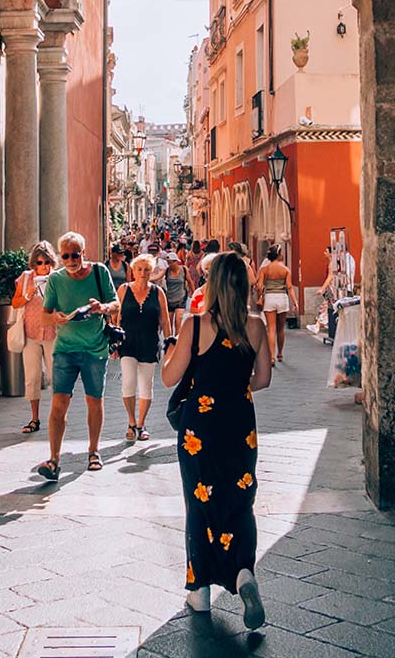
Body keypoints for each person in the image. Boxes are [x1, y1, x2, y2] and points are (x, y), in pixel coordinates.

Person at [161, 251, 271, 629]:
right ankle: (243, 574)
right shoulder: (256, 325)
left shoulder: (195, 324)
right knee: (239, 500)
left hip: (200, 430)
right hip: (239, 424)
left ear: (214, 284)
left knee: (201, 502)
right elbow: (263, 379)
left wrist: (169, 351)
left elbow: (169, 378)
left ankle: (200, 590)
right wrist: (234, 387)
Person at [37, 231, 118, 481]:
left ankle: (94, 451)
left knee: (94, 401)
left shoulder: (99, 272)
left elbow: (115, 303)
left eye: (75, 254)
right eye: (66, 255)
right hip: (65, 349)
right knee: (59, 402)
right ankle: (54, 459)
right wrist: (56, 317)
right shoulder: (56, 280)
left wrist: (102, 308)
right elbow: (45, 315)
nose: (71, 260)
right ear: (60, 256)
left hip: (95, 349)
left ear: (84, 253)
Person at [116, 254, 171, 440]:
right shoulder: (123, 290)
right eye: (139, 269)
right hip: (127, 344)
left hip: (149, 344)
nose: (142, 273)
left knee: (146, 386)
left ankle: (141, 424)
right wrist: (114, 343)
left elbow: (165, 320)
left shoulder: (158, 292)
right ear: (133, 270)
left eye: (146, 269)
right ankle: (131, 422)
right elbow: (116, 318)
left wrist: (169, 344)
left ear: (151, 271)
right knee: (128, 382)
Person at [11, 240, 58, 434]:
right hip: (30, 334)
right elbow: (15, 303)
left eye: (46, 262)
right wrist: (28, 295)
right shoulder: (25, 278)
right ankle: (34, 419)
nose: (43, 266)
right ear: (33, 263)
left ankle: (57, 417)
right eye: (39, 262)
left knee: (57, 377)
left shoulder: (58, 279)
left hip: (53, 334)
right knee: (32, 378)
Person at [255, 246, 297, 365]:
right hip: (282, 297)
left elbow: (259, 286)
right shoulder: (285, 269)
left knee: (271, 329)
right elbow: (289, 287)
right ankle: (280, 353)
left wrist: (260, 296)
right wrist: (295, 302)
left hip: (269, 297)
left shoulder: (264, 269)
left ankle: (271, 356)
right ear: (278, 255)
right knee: (280, 328)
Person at [163, 252, 188, 335]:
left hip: (181, 298)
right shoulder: (167, 271)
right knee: (169, 323)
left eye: (171, 262)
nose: (169, 264)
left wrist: (194, 292)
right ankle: (169, 341)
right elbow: (158, 276)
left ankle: (177, 341)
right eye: (168, 262)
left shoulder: (183, 270)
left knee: (178, 320)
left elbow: (190, 281)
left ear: (176, 262)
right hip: (170, 299)